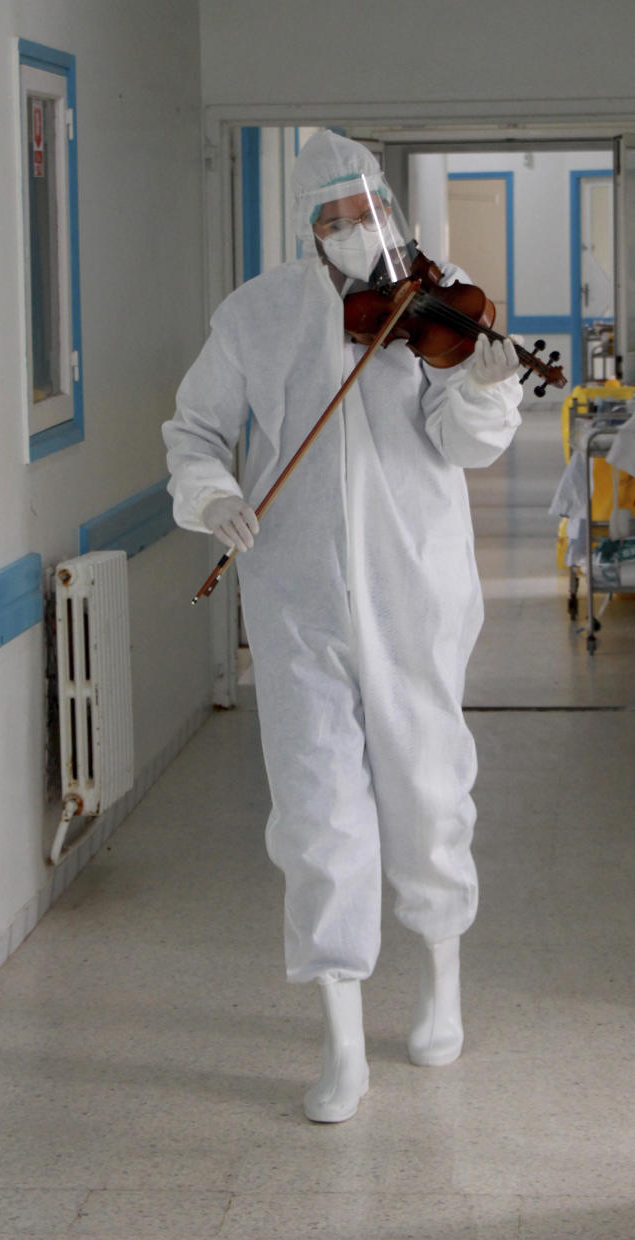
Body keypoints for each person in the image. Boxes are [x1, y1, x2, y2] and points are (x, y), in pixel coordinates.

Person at [163, 131, 523, 1122]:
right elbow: (195, 428)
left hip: (415, 587)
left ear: (392, 213)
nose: (354, 233)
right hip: (293, 593)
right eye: (331, 217)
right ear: (306, 227)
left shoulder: (443, 299)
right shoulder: (258, 314)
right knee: (318, 813)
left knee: (430, 787)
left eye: (365, 212)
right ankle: (342, 1045)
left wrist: (489, 396)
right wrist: (212, 492)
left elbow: (462, 442)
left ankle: (442, 990)